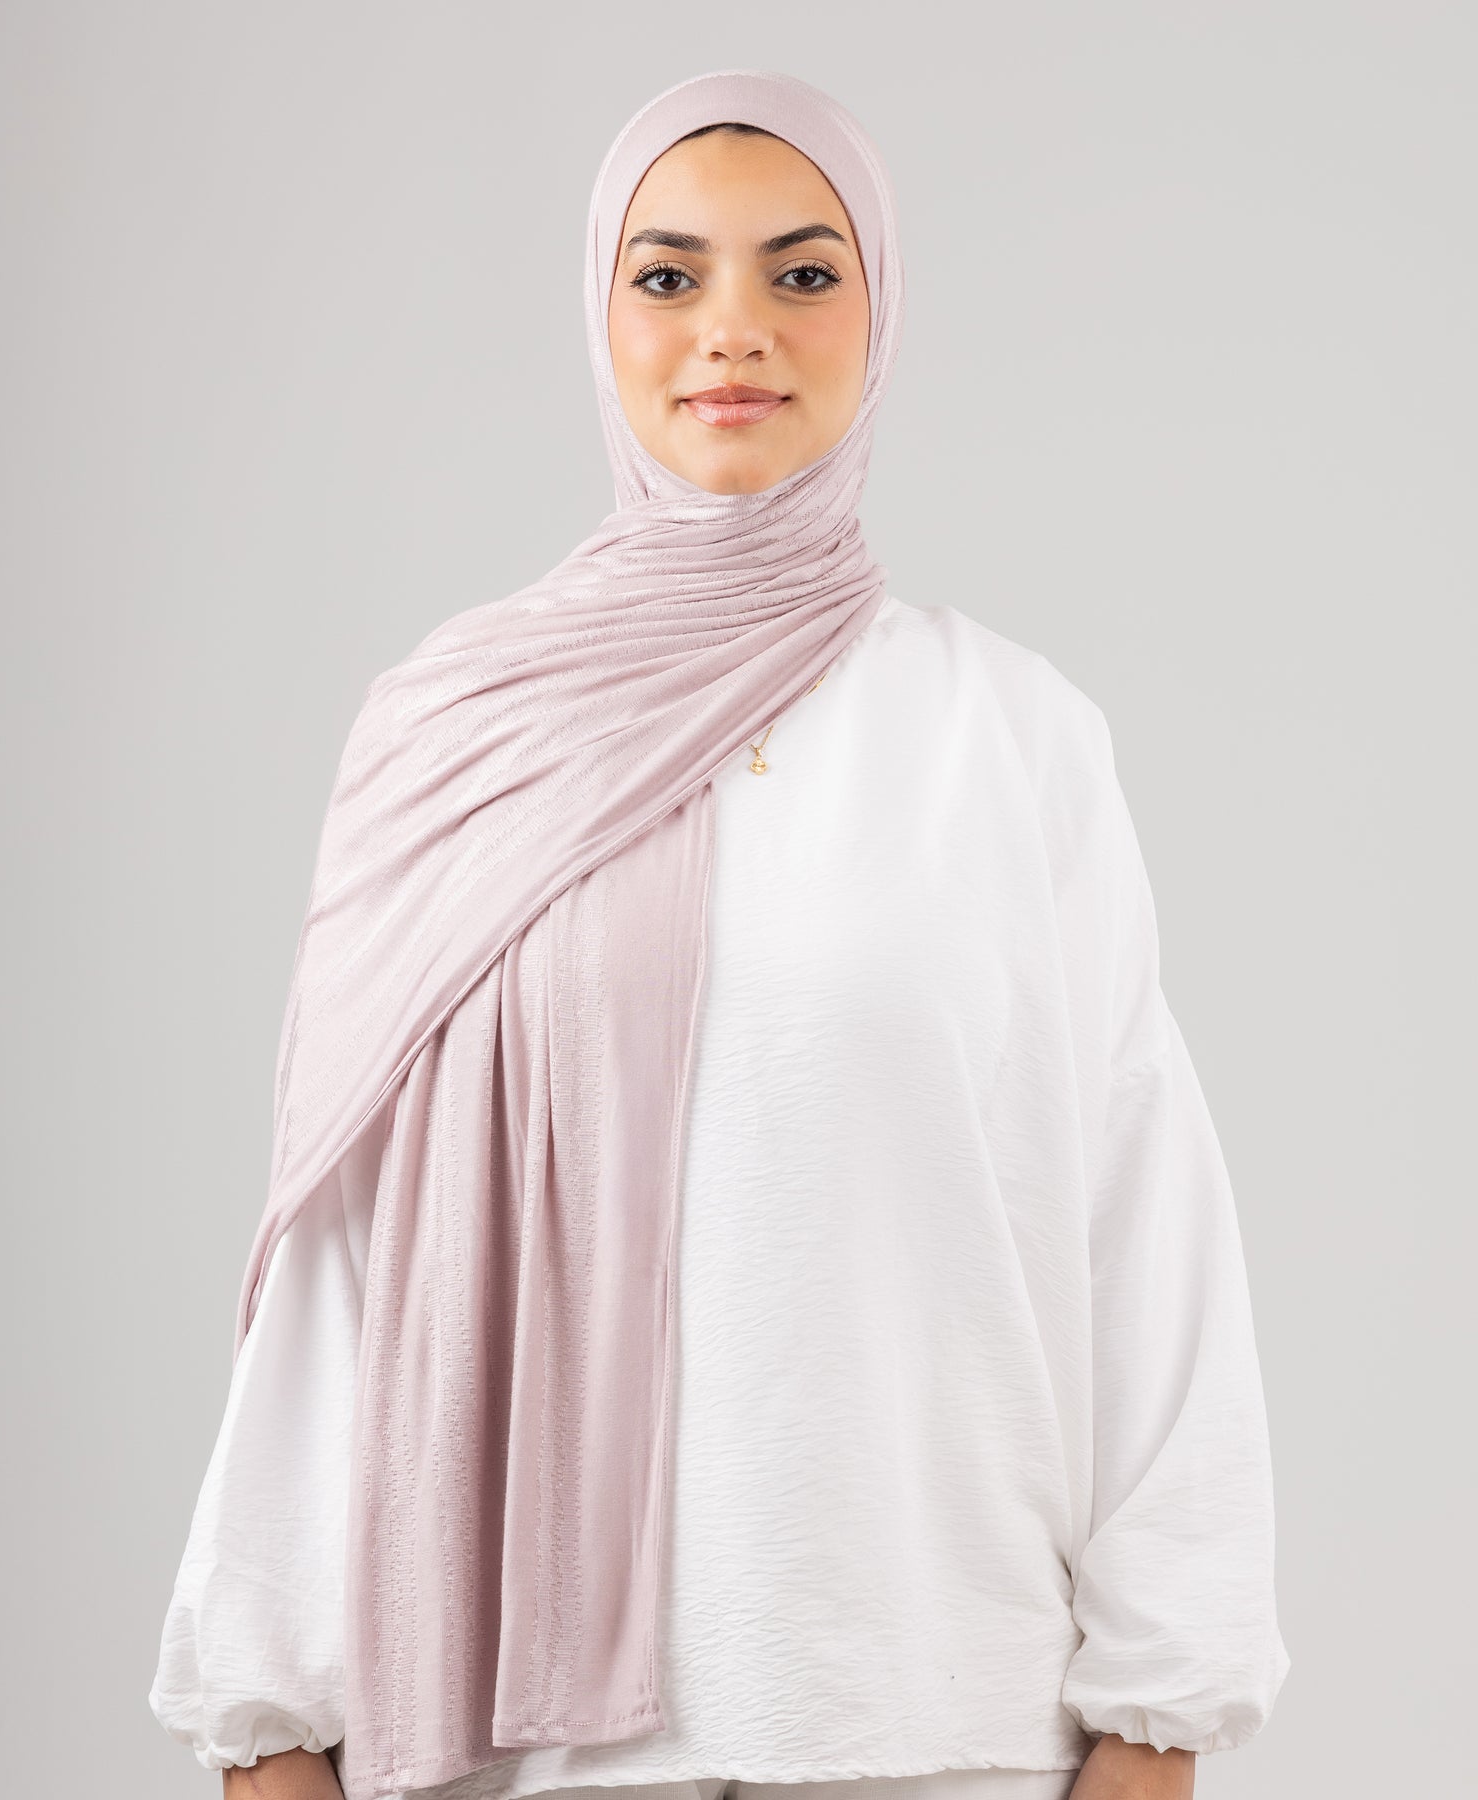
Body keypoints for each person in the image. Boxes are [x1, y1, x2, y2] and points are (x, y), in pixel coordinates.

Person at [148, 67, 1290, 1800]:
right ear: (600, 316)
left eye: (804, 272)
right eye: (669, 275)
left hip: (933, 1707)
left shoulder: (1010, 735)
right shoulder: (453, 731)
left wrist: (1162, 1709)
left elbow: (1146, 1216)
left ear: (879, 315)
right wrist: (268, 1708)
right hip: (521, 1744)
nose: (733, 329)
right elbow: (340, 1237)